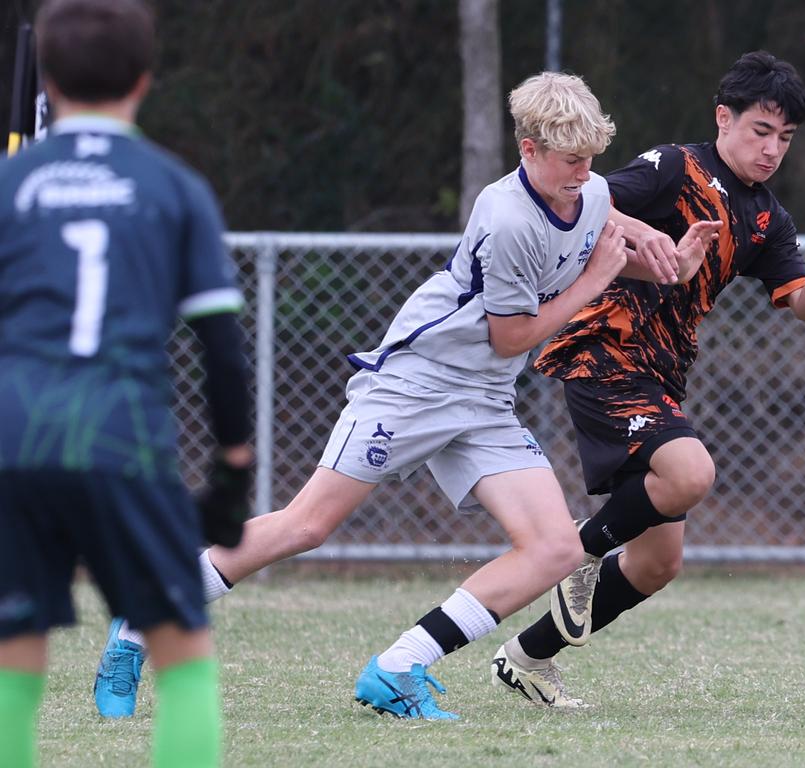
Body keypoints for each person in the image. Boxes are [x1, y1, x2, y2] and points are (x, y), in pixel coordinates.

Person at [92, 70, 716, 720]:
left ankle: (397, 668)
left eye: (590, 161)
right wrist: (594, 284)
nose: (583, 175)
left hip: (481, 401)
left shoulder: (586, 194)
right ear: (528, 150)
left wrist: (676, 263)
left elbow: (606, 253)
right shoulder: (506, 217)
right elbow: (513, 336)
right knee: (307, 525)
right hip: (416, 385)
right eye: (569, 162)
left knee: (556, 547)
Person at [489, 50, 805, 708]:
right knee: (691, 473)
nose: (772, 151)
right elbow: (579, 202)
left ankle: (529, 657)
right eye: (760, 132)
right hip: (606, 349)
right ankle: (578, 550)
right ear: (724, 118)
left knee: (659, 563)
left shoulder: (768, 218)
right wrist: (645, 249)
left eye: (785, 139)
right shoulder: (673, 168)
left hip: (662, 372)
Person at [0, 0, 253, 766]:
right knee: (181, 653)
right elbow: (220, 348)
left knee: (15, 654)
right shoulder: (171, 186)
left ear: (47, 80)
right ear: (144, 80)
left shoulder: (14, 180)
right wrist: (231, 470)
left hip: (16, 438)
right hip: (124, 439)